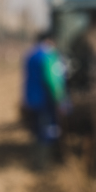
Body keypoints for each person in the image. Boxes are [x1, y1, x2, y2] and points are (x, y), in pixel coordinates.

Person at [22, 31, 67, 169]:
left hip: (31, 100)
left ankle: (35, 161)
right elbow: (52, 80)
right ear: (49, 40)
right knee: (48, 131)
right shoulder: (48, 57)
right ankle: (44, 164)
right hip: (44, 101)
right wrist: (60, 99)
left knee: (36, 131)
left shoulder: (30, 55)